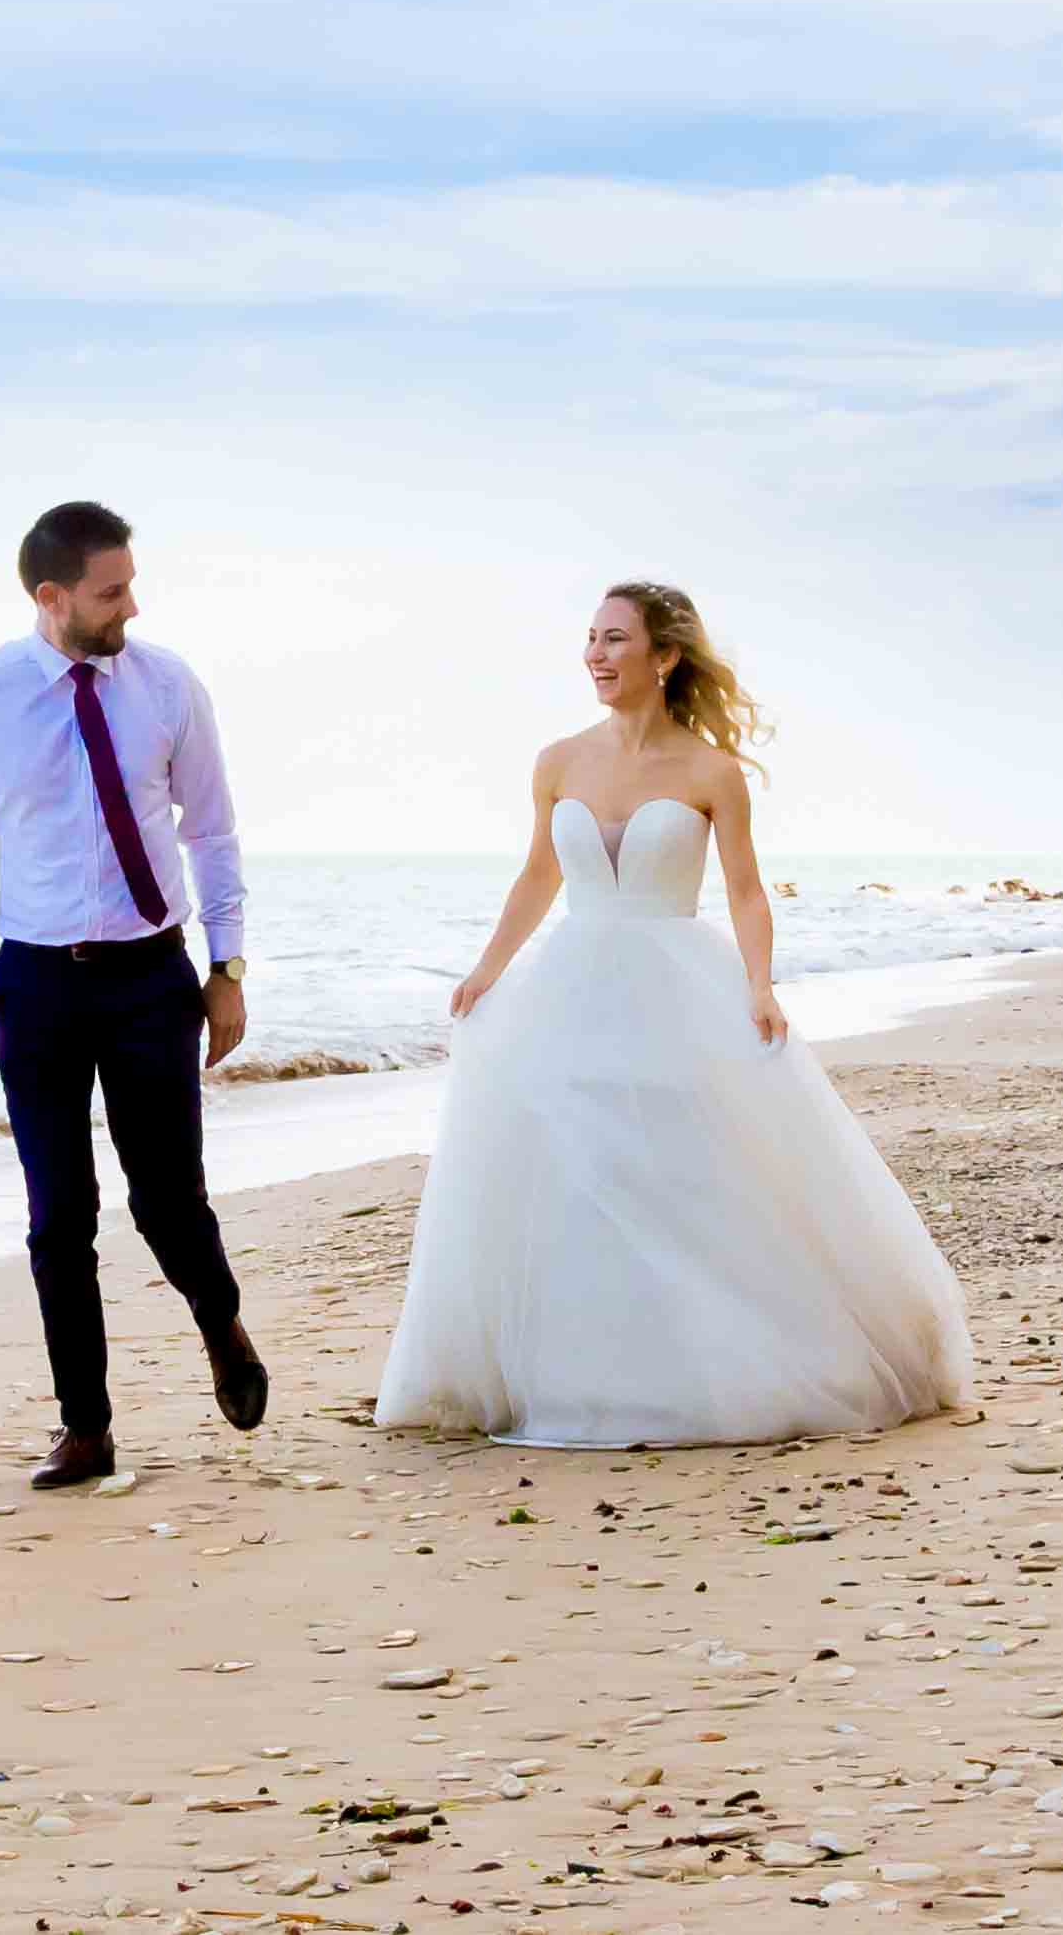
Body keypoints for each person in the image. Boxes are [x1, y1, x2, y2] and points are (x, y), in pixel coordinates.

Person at [373, 579, 974, 1447]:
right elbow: (539, 875)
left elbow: (744, 890)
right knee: (574, 1167)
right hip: (570, 985)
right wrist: (486, 969)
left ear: (663, 655)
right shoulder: (556, 761)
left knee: (679, 1172)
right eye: (590, 638)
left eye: (614, 639)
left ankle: (698, 1366)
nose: (595, 654)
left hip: (674, 986)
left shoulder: (709, 770)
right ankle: (579, 1372)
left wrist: (759, 986)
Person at [0, 498, 270, 1487]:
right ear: (53, 595)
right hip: (35, 981)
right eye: (111, 591)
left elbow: (211, 830)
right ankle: (85, 1427)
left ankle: (220, 1324)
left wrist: (227, 967)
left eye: (130, 585)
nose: (131, 605)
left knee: (165, 1199)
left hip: (149, 976)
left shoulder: (167, 684)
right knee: (57, 1216)